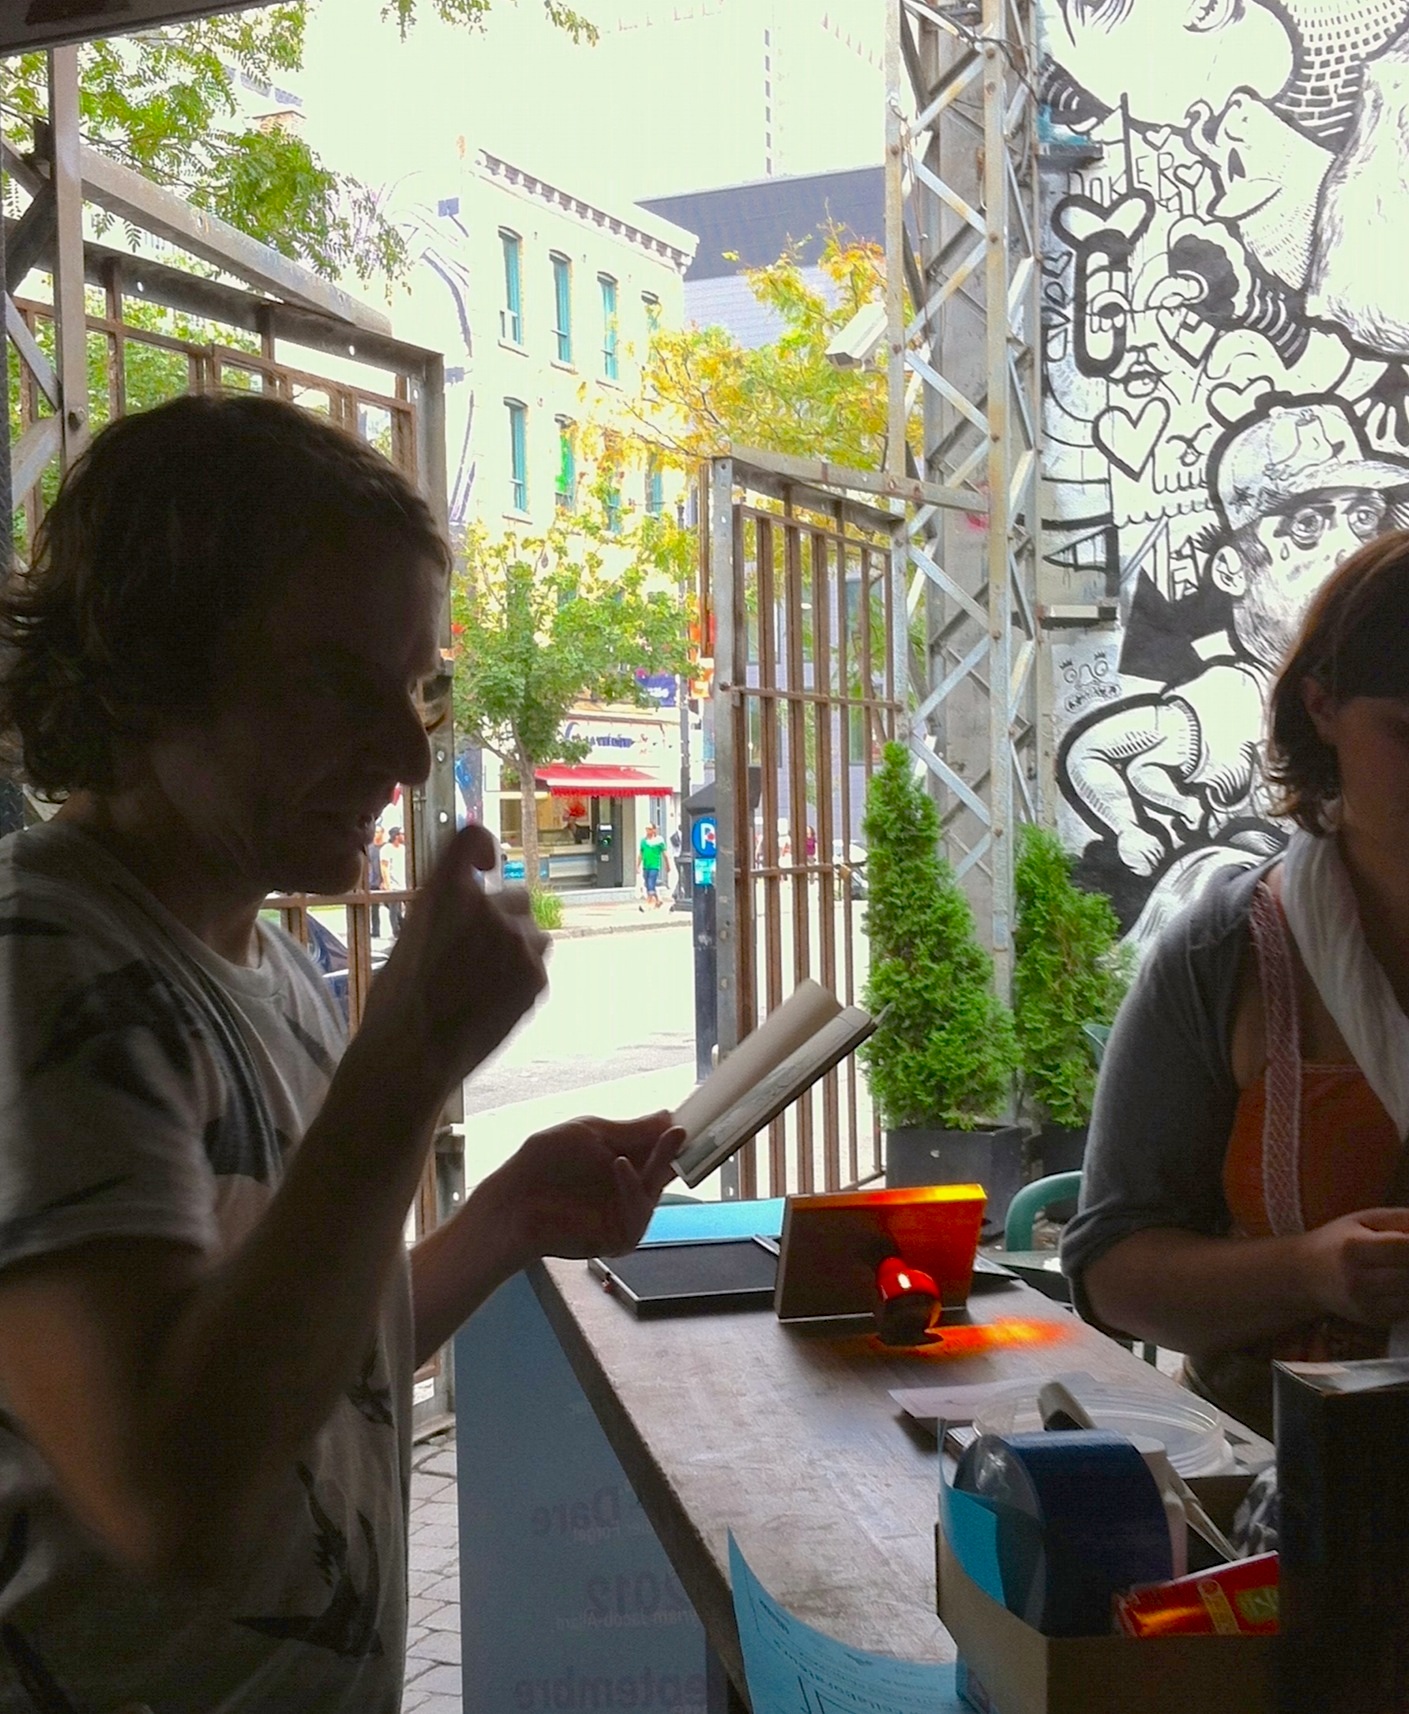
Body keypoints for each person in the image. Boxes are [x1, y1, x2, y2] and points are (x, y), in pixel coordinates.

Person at [0, 393, 679, 1712]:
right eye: (333, 684)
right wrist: (407, 1064)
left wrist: (504, 1220)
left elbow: (307, 1361)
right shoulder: (45, 963)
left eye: (419, 686)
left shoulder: (271, 966)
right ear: (148, 669)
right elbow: (167, 1495)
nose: (410, 752)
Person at [1062, 529, 1409, 1440]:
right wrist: (1306, 1273)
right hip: (1288, 1493)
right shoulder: (1227, 953)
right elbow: (1109, 1266)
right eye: (1407, 732)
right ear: (1321, 707)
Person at [380, 824, 407, 937]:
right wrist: (387, 883)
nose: (404, 836)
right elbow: (384, 866)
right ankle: (396, 931)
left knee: (403, 909)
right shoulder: (386, 849)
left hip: (404, 882)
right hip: (393, 883)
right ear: (396, 836)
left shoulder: (403, 848)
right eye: (401, 834)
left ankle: (404, 926)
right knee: (393, 909)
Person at [638, 821, 670, 910]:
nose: (648, 831)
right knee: (648, 884)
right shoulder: (643, 841)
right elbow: (640, 854)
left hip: (654, 866)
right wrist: (638, 865)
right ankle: (658, 900)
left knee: (651, 883)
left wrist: (668, 865)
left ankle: (647, 904)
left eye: (650, 829)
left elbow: (665, 854)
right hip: (646, 865)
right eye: (647, 829)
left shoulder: (659, 841)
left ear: (654, 830)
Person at [366, 822, 386, 937]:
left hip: (384, 881)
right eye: (375, 832)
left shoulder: (385, 847)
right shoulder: (370, 848)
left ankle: (400, 924)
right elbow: (367, 865)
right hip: (373, 882)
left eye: (378, 832)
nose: (376, 834)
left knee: (393, 906)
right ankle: (376, 930)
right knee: (374, 908)